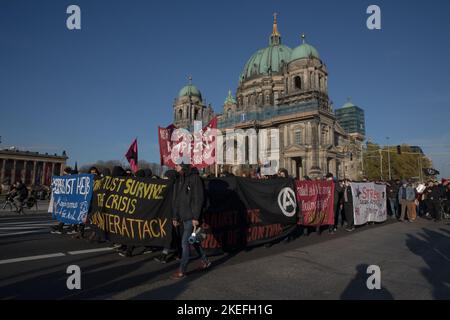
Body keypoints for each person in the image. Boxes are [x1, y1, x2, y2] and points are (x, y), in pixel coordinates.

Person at [171, 163, 210, 279]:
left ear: (183, 165)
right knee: (193, 240)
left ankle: (182, 270)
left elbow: (198, 199)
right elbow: (177, 200)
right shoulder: (180, 179)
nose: (175, 167)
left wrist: (196, 217)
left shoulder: (195, 178)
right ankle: (205, 261)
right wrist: (175, 217)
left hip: (191, 217)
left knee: (185, 242)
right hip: (183, 217)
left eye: (177, 164)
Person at [154, 169, 182, 264]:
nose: (164, 179)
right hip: (168, 215)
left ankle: (165, 254)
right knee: (174, 235)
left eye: (166, 177)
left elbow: (177, 203)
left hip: (175, 216)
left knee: (172, 235)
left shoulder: (177, 188)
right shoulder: (169, 187)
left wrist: (175, 217)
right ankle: (178, 253)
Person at [50, 166, 73, 234]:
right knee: (65, 213)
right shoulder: (68, 178)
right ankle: (61, 226)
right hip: (65, 198)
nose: (63, 174)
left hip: (68, 199)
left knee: (66, 213)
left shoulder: (68, 178)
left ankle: (62, 227)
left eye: (64, 172)